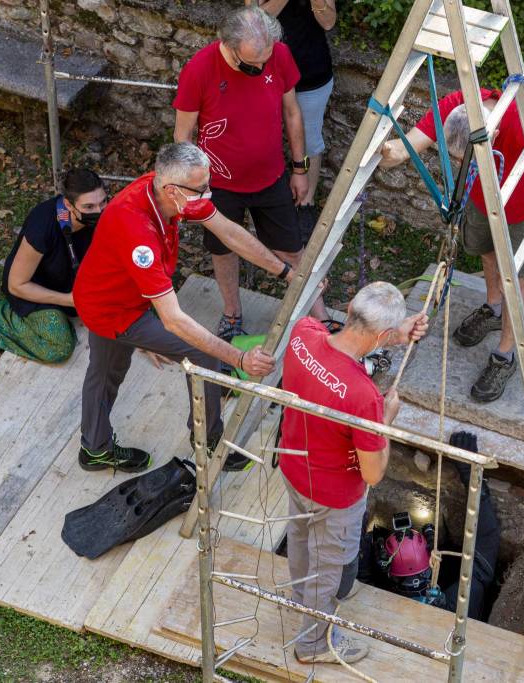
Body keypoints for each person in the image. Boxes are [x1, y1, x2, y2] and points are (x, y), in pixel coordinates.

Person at [72, 142, 293, 473]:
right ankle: (208, 445)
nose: (208, 194)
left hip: (113, 295)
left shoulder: (169, 190)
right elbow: (173, 320)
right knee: (204, 356)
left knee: (105, 372)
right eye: (201, 189)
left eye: (208, 184)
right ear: (172, 190)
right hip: (112, 310)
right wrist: (239, 358)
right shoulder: (136, 231)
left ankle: (95, 448)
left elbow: (229, 233)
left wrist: (286, 272)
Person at [379, 90, 524, 403]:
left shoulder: (523, 120)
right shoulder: (455, 105)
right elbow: (403, 149)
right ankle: (493, 309)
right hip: (481, 201)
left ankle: (506, 355)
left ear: (491, 135)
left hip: (521, 211)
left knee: (514, 279)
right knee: (485, 252)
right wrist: (383, 149)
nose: (462, 162)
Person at [278, 282, 428, 665]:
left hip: (294, 466)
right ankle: (312, 644)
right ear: (381, 336)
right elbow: (373, 473)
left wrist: (399, 330)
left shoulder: (303, 334)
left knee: (299, 536)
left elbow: (343, 348)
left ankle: (302, 599)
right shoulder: (364, 397)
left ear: (348, 309)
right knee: (330, 568)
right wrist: (385, 424)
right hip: (334, 494)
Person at [173, 5, 324, 345]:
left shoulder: (278, 54)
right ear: (226, 44)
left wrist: (299, 169)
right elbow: (182, 136)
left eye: (266, 59)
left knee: (292, 249)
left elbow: (292, 112)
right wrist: (189, 186)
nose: (262, 67)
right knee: (224, 250)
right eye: (253, 63)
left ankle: (320, 314)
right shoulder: (198, 70)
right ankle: (232, 314)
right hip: (218, 184)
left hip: (271, 177)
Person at [359, 431, 501, 620]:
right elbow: (484, 554)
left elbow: (360, 583)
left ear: (390, 574)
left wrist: (360, 551)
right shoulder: (455, 607)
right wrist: (472, 477)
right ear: (432, 565)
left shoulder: (376, 607)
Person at [0, 168, 107, 363]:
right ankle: (0, 317)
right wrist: (69, 300)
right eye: (89, 207)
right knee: (60, 346)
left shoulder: (103, 215)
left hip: (69, 279)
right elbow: (17, 284)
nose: (99, 211)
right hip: (32, 289)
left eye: (103, 202)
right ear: (68, 204)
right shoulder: (42, 226)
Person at [250, 0, 337, 237]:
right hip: (266, 71)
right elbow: (253, 21)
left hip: (311, 72)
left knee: (310, 141)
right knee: (261, 136)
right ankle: (263, 198)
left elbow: (328, 22)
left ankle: (305, 204)